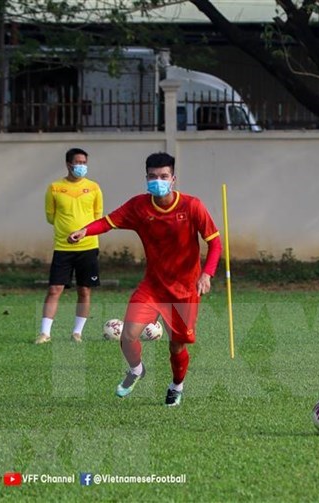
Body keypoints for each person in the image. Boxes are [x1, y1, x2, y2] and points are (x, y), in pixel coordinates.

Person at [67, 152, 222, 406]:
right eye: (152, 176)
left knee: (176, 348)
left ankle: (176, 386)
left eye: (163, 176)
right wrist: (85, 231)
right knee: (128, 334)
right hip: (152, 286)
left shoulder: (192, 206)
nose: (157, 181)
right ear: (146, 178)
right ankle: (136, 369)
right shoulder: (139, 206)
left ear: (173, 178)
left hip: (184, 291)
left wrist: (207, 274)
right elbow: (108, 222)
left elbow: (215, 244)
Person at [35, 147, 103, 344]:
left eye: (84, 163)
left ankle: (77, 333)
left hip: (88, 247)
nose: (81, 166)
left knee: (85, 290)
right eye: (78, 162)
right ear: (68, 164)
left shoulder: (94, 188)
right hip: (63, 248)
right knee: (55, 289)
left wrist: (83, 232)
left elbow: (98, 218)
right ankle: (45, 333)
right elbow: (50, 216)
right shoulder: (55, 188)